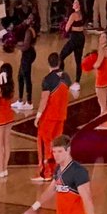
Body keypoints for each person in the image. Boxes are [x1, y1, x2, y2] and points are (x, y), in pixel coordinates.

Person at [24, 135, 97, 214]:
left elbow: (87, 198)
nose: (56, 155)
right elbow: (50, 190)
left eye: (60, 151)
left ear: (68, 150)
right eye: (54, 151)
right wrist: (33, 208)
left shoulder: (78, 172)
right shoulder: (58, 169)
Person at [32, 54, 71, 182]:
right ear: (59, 62)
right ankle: (56, 171)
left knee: (44, 144)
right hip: (61, 116)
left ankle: (45, 172)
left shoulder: (48, 80)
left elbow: (44, 100)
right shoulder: (66, 77)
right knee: (57, 145)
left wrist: (38, 116)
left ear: (48, 63)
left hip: (49, 117)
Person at [60, 0, 87, 92]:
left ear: (78, 5)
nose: (73, 4)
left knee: (61, 56)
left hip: (74, 38)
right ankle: (77, 82)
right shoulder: (82, 14)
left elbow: (66, 28)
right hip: (81, 37)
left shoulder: (73, 15)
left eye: (75, 3)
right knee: (78, 60)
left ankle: (62, 79)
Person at [16, 10, 38, 112]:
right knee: (20, 77)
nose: (27, 19)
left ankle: (29, 102)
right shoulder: (27, 28)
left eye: (30, 18)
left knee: (26, 77)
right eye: (28, 17)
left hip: (28, 54)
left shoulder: (29, 31)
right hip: (28, 54)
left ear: (33, 21)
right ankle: (20, 100)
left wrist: (14, 45)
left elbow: (25, 46)